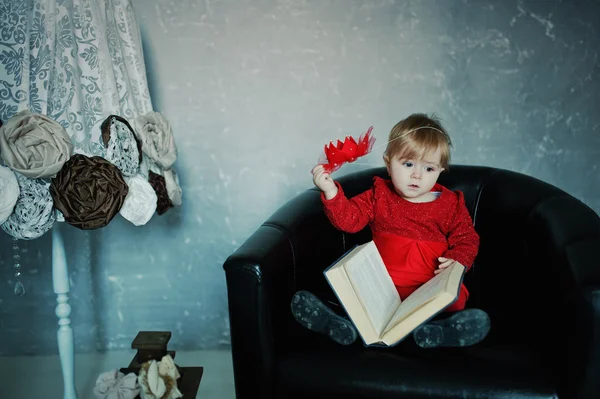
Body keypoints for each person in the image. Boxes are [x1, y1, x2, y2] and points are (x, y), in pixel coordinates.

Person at [291, 113, 491, 348]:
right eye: (408, 164)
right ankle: (341, 324)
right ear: (389, 163)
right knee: (353, 297)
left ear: (440, 171)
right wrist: (330, 191)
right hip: (383, 287)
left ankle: (436, 331)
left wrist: (458, 259)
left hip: (426, 287)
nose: (417, 175)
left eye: (428, 168)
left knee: (453, 301)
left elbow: (467, 238)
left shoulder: (450, 204)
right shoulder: (380, 195)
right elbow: (349, 220)